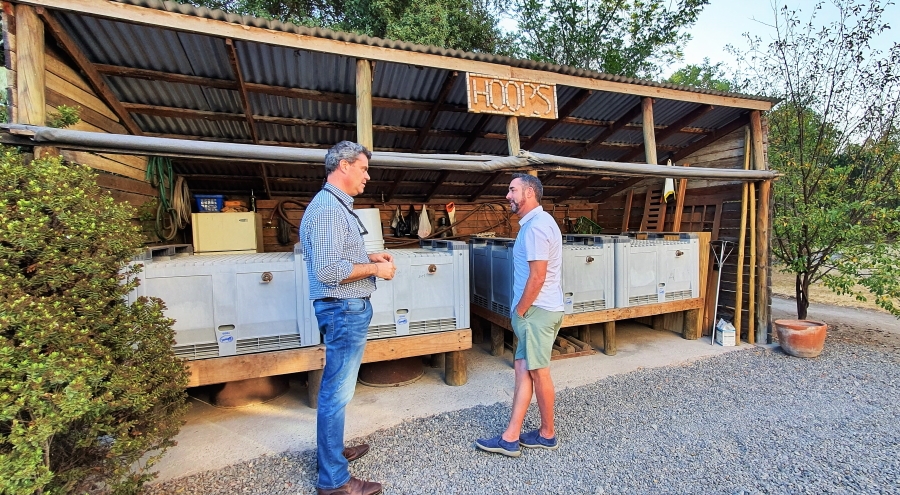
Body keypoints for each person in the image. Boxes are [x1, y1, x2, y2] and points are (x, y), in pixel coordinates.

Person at [299, 141, 395, 495]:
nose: (367, 176)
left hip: (344, 308)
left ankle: (332, 454)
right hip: (342, 309)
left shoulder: (333, 206)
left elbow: (337, 255)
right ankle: (334, 481)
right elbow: (327, 269)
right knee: (336, 394)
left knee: (338, 390)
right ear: (343, 165)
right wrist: (375, 269)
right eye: (363, 168)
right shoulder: (327, 209)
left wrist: (368, 254)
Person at [475, 173, 564, 457]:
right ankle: (510, 437)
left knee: (538, 372)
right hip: (536, 311)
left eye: (512, 190)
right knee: (523, 371)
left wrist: (521, 310)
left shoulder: (537, 227)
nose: (507, 196)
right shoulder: (535, 224)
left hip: (536, 312)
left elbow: (538, 276)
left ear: (529, 193)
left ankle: (547, 434)